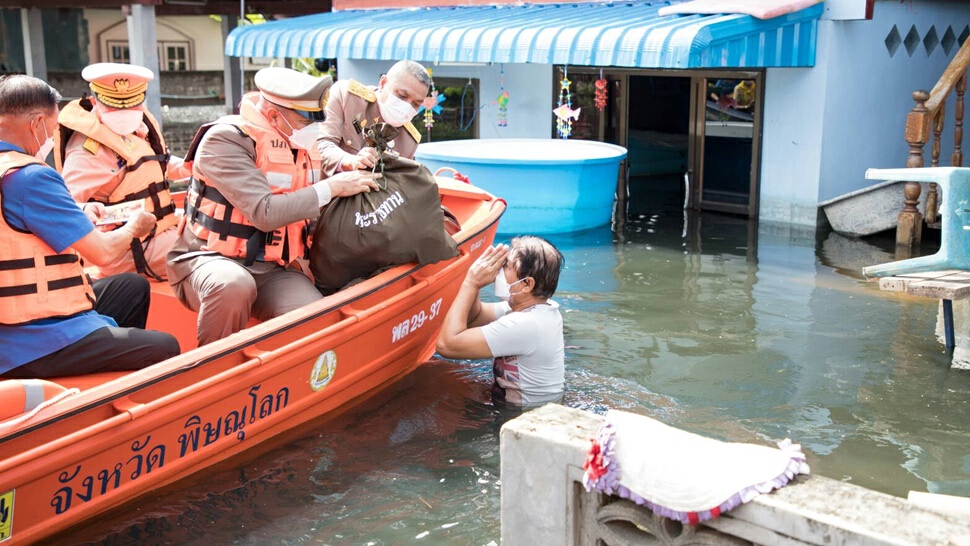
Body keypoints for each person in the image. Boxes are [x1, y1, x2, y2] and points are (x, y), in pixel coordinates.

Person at [168, 67, 381, 346]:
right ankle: (211, 370)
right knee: (233, 286)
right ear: (272, 116)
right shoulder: (225, 140)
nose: (314, 128)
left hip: (273, 268)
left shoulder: (305, 144)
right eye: (306, 121)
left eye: (318, 120)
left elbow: (315, 209)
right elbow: (264, 212)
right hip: (208, 259)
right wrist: (334, 186)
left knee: (315, 318)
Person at [0, 74, 180, 378]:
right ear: (36, 124)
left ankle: (107, 365)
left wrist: (80, 209)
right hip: (34, 338)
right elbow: (105, 254)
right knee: (165, 347)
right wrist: (134, 227)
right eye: (52, 129)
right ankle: (111, 405)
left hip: (14, 321)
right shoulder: (31, 178)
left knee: (130, 287)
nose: (49, 139)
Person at [56, 62, 187, 281]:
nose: (124, 112)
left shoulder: (137, 128)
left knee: (210, 224)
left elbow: (153, 163)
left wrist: (189, 167)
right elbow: (64, 208)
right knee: (212, 243)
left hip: (158, 230)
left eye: (132, 105)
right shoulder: (87, 153)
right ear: (96, 101)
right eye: (114, 106)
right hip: (130, 249)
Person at [436, 237, 566, 406]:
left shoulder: (526, 324)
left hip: (523, 415)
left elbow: (446, 345)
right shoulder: (536, 310)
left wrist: (471, 283)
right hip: (516, 405)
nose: (499, 270)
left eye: (506, 265)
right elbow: (475, 317)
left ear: (527, 284)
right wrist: (477, 281)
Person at [317, 60, 431, 177]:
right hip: (334, 191)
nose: (407, 106)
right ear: (382, 83)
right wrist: (351, 161)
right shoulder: (346, 96)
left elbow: (401, 184)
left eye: (416, 104)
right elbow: (323, 145)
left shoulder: (409, 140)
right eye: (402, 95)